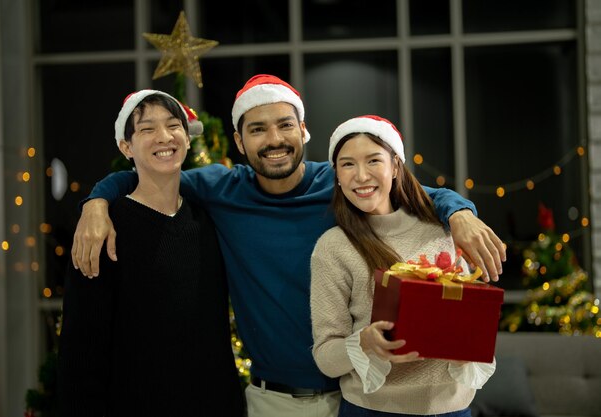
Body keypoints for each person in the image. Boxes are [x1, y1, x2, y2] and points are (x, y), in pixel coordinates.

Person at [70, 75, 505, 417]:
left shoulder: (340, 184)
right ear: (240, 143)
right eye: (257, 130)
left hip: (352, 394)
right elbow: (151, 170)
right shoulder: (221, 189)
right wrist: (97, 201)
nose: (273, 140)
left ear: (303, 130)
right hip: (271, 402)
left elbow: (408, 189)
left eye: (284, 125)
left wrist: (459, 213)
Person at [57, 90, 245, 416]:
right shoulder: (102, 229)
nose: (164, 137)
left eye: (174, 126)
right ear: (126, 147)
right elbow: (81, 352)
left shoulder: (208, 219)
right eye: (147, 129)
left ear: (187, 139)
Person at [310, 115, 495, 417]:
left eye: (373, 161)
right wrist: (364, 343)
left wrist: (466, 349)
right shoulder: (333, 248)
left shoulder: (446, 232)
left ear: (395, 166)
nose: (360, 175)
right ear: (337, 175)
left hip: (453, 410)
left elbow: (472, 330)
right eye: (347, 164)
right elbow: (325, 357)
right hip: (370, 410)